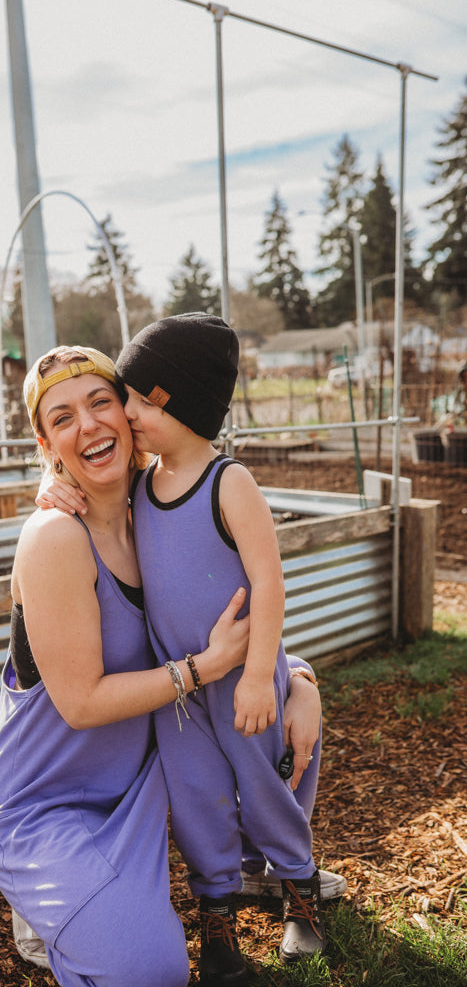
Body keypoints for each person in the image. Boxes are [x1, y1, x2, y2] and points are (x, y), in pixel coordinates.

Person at [0, 345, 253, 987]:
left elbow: (231, 613)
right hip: (43, 804)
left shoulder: (158, 512)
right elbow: (81, 703)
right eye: (62, 418)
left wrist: (296, 676)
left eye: (100, 402)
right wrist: (201, 669)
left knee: (284, 715)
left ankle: (270, 868)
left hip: (135, 793)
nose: (89, 425)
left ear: (129, 414)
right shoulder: (54, 537)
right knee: (152, 974)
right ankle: (53, 906)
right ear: (46, 444)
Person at [116, 312, 328, 976]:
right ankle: (217, 922)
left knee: (265, 790)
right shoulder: (139, 488)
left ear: (182, 404)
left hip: (243, 684)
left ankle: (299, 894)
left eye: (141, 400)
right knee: (197, 803)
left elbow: (269, 583)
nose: (127, 413)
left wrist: (260, 675)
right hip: (180, 691)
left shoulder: (227, 483)